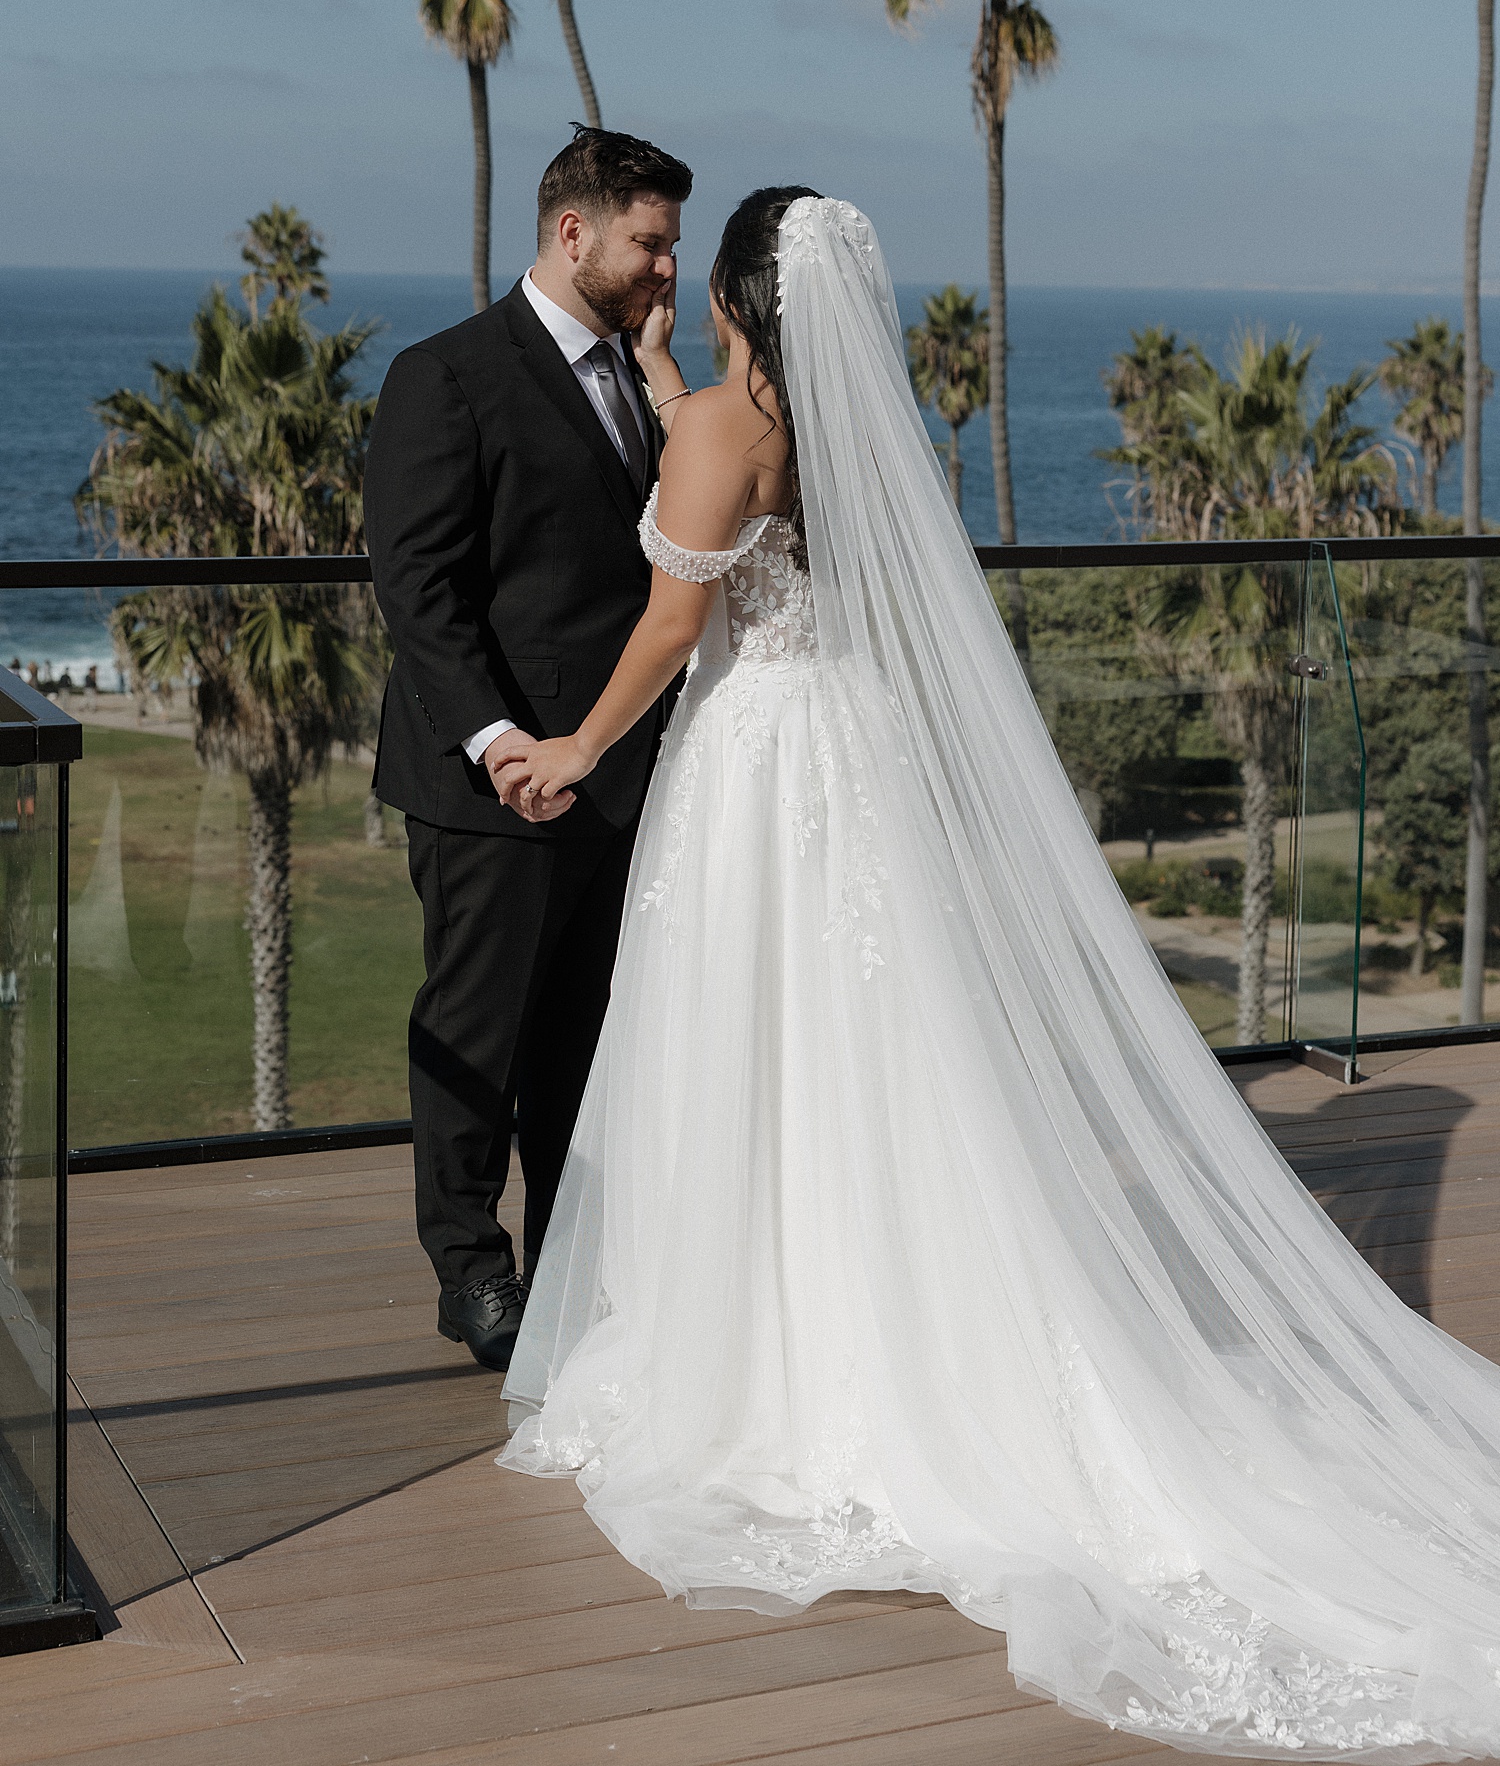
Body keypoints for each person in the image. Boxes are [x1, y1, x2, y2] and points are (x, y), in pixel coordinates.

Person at [495, 191, 1500, 1758]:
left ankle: (775, 1355)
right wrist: (673, 364)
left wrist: (576, 744)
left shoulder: (714, 438)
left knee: (752, 1055)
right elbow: (732, 466)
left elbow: (680, 615)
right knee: (875, 1060)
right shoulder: (841, 421)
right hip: (856, 756)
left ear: (747, 301)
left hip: (758, 764)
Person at [363, 125, 693, 1371]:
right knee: (477, 1032)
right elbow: (418, 586)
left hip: (622, 775)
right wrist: (501, 740)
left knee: (586, 1038)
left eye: (671, 244)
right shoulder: (444, 375)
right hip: (489, 782)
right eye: (649, 241)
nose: (667, 266)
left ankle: (569, 1266)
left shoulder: (645, 379)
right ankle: (471, 1273)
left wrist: (663, 378)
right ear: (575, 231)